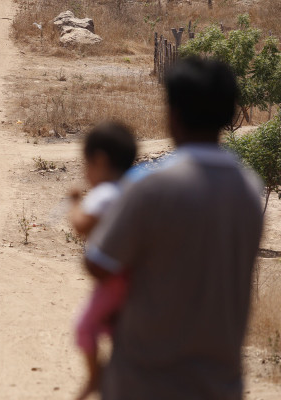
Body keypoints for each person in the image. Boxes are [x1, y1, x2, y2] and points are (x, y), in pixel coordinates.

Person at [84, 57, 264, 400]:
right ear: (228, 114)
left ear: (174, 114)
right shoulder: (249, 190)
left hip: (147, 381)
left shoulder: (152, 187)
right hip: (220, 385)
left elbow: (99, 263)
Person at [69, 122, 137, 399]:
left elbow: (82, 224)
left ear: (99, 160)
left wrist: (74, 202)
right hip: (134, 277)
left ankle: (95, 377)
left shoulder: (106, 192)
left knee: (85, 326)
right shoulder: (133, 188)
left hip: (113, 279)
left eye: (86, 165)